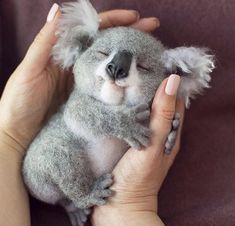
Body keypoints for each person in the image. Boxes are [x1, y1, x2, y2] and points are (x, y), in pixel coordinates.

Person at [0, 4, 184, 226]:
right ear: (83, 51)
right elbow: (78, 117)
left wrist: (166, 131)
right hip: (44, 173)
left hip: (101, 181)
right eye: (103, 53)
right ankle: (81, 196)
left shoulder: (145, 110)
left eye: (144, 67)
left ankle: (73, 202)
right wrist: (9, 136)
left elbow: (152, 136)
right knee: (53, 155)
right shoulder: (81, 101)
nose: (117, 67)